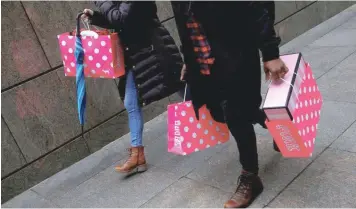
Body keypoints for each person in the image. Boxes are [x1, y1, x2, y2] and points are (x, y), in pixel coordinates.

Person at [172, 2, 288, 208]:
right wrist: (188, 60)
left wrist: (270, 52)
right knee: (224, 113)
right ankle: (277, 126)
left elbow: (257, 6)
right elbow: (185, 24)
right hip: (202, 62)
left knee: (236, 115)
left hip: (236, 53)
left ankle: (250, 177)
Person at [82, 1, 184, 174]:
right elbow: (117, 21)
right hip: (135, 58)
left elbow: (120, 18)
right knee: (131, 102)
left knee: (185, 87)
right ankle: (137, 154)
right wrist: (95, 17)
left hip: (155, 53)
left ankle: (219, 117)